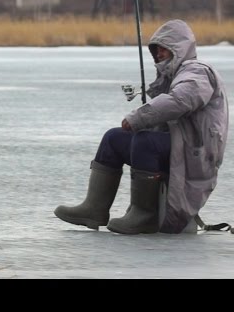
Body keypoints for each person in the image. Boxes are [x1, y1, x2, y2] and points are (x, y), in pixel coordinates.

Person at [54, 19, 229, 234]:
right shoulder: (171, 75)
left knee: (145, 141)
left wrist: (140, 117)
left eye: (164, 49)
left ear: (178, 49)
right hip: (177, 145)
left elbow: (179, 101)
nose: (159, 55)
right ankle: (94, 209)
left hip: (194, 154)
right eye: (156, 50)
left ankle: (144, 214)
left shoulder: (197, 73)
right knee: (113, 138)